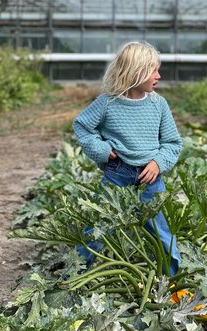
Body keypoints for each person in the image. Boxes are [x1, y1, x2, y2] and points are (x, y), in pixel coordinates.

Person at [73, 41, 182, 277]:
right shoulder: (107, 103)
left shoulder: (159, 105)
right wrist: (101, 150)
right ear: (135, 72)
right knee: (97, 229)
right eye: (153, 70)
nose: (159, 76)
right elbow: (82, 126)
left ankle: (174, 280)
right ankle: (74, 276)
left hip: (150, 179)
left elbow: (173, 143)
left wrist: (157, 163)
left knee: (162, 234)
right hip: (117, 175)